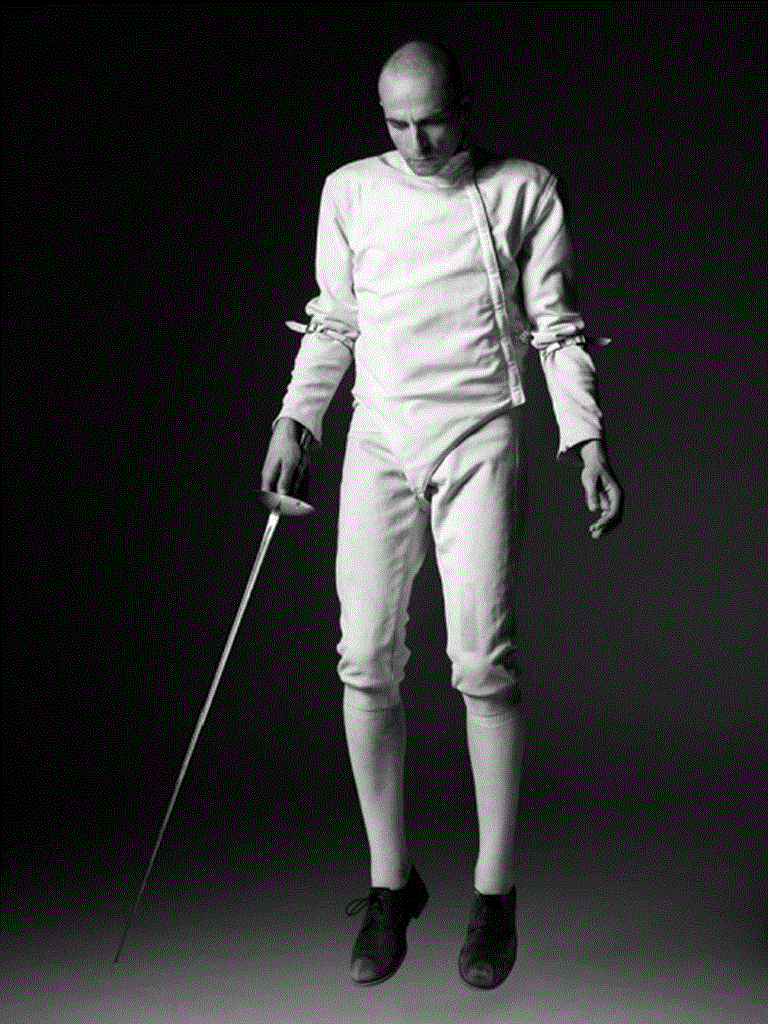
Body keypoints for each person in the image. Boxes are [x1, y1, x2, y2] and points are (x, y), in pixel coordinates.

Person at [261, 39, 622, 990]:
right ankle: (392, 883)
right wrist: (297, 419)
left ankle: (494, 894)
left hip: (480, 433)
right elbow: (335, 318)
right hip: (382, 434)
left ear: (466, 104)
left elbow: (556, 327)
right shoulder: (350, 190)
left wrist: (585, 439)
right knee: (363, 658)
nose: (416, 143)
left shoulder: (524, 189)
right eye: (397, 124)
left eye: (432, 121)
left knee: (482, 663)